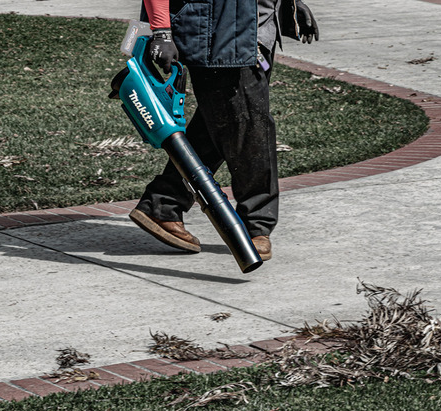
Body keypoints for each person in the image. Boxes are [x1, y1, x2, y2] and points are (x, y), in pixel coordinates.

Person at [129, 0, 319, 261]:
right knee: (250, 127)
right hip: (217, 33)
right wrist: (161, 31)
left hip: (254, 29)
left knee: (219, 122)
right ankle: (256, 223)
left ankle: (163, 203)